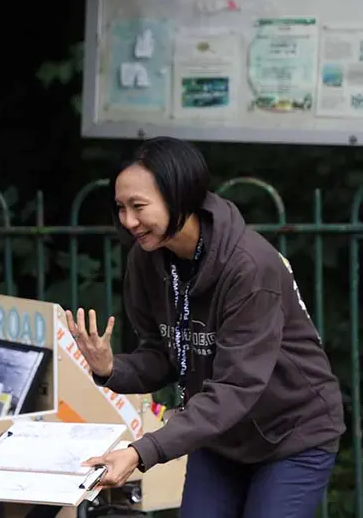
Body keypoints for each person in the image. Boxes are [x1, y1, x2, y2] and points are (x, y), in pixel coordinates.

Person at [65, 136, 345, 518]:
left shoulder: (249, 267)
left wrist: (140, 452)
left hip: (291, 433)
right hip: (219, 435)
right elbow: (164, 354)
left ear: (179, 198)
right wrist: (110, 368)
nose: (128, 221)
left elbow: (237, 386)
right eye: (120, 208)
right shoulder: (147, 258)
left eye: (138, 207)